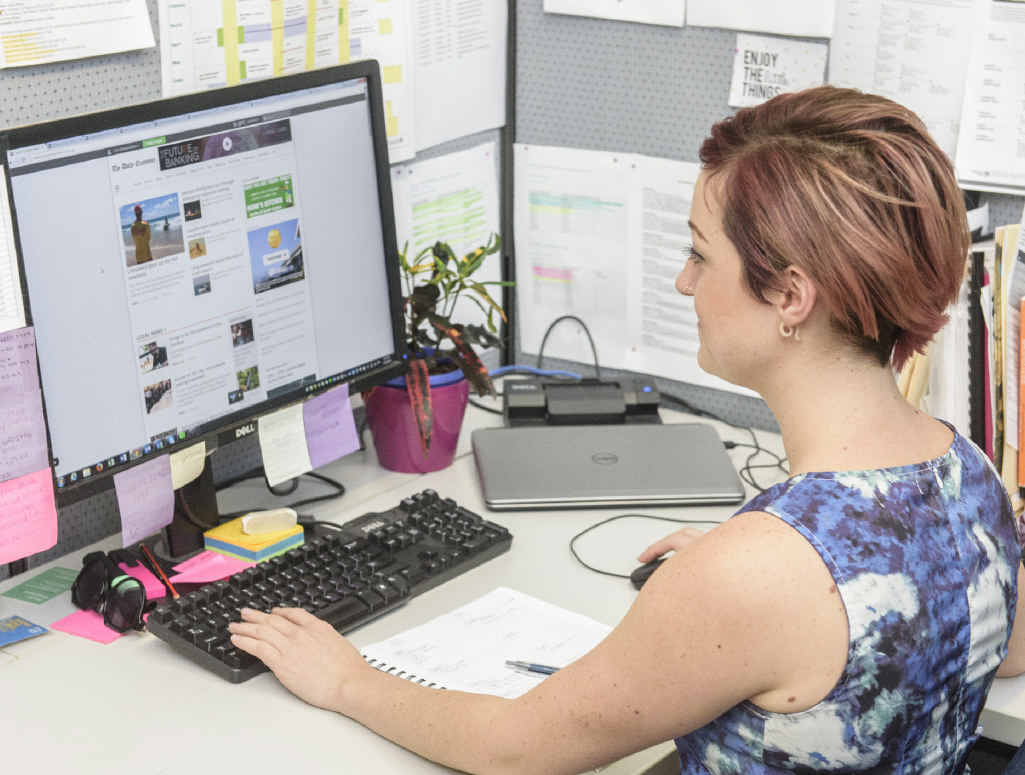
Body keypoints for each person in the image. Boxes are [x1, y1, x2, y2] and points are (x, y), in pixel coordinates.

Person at [228, 86, 1025, 773]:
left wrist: (346, 678)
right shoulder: (967, 470)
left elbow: (514, 748)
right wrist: (749, 575)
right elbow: (1002, 647)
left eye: (698, 254)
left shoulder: (751, 575)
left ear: (789, 296)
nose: (683, 281)